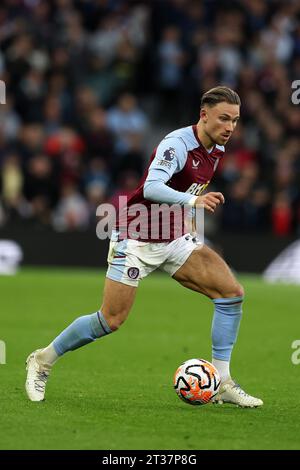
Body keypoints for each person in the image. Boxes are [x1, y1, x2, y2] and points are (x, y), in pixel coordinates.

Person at [25, 86, 263, 407]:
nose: (230, 127)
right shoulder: (177, 144)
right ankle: (42, 359)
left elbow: (186, 187)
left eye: (235, 120)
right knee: (111, 319)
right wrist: (194, 201)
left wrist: (187, 218)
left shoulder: (216, 148)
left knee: (231, 294)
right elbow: (152, 187)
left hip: (174, 237)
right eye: (223, 119)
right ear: (203, 115)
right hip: (135, 237)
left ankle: (221, 381)